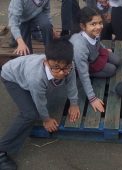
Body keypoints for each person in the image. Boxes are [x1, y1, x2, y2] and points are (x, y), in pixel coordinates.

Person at [0, 39, 80, 170]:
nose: (61, 72)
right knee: (30, 114)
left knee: (46, 93)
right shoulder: (36, 78)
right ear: (46, 62)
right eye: (56, 68)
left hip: (24, 72)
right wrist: (46, 119)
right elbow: (39, 100)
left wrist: (74, 103)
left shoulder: (70, 65)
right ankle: (2, 151)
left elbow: (71, 84)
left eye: (65, 67)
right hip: (10, 77)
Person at [70, 7, 120, 113]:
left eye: (100, 23)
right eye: (93, 24)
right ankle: (91, 73)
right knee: (112, 69)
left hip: (94, 55)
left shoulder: (94, 33)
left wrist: (104, 49)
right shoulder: (80, 47)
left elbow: (97, 41)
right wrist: (92, 98)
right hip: (84, 65)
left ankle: (101, 61)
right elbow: (83, 74)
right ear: (83, 26)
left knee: (117, 60)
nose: (98, 27)